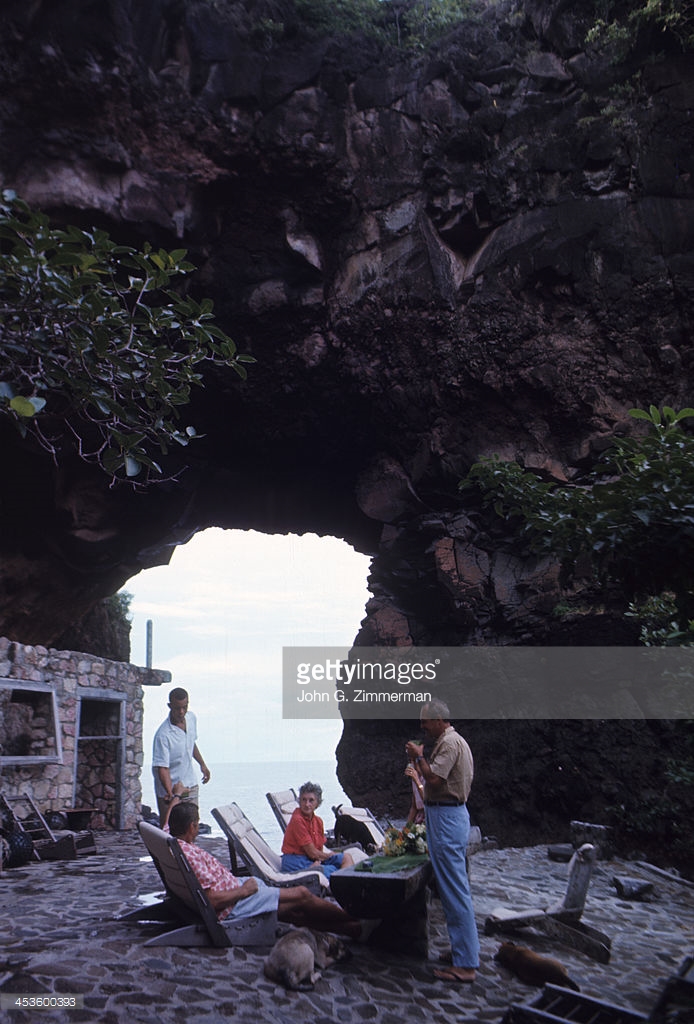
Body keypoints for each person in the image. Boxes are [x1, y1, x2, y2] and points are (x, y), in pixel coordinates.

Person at [167, 800, 363, 938]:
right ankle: (355, 918)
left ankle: (351, 930)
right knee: (302, 894)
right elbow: (211, 900)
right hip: (235, 903)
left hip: (235, 890)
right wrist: (244, 890)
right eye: (197, 824)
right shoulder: (189, 855)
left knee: (290, 911)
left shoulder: (172, 844)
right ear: (192, 826)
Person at [405, 699, 480, 983]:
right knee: (450, 889)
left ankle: (466, 966)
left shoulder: (450, 744)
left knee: (455, 890)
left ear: (439, 719)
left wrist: (419, 757)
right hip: (446, 817)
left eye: (425, 721)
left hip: (447, 819)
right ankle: (464, 951)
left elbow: (434, 779)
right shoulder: (453, 742)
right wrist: (419, 759)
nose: (422, 726)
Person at [152, 687, 211, 826]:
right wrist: (170, 793)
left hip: (190, 784)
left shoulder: (191, 718)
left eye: (185, 707)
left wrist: (203, 765)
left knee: (192, 826)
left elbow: (190, 743)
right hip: (171, 788)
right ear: (169, 706)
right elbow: (162, 768)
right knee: (171, 830)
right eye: (178, 708)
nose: (181, 712)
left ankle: (190, 848)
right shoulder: (163, 735)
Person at [281, 781, 355, 878]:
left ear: (318, 803)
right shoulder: (297, 820)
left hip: (311, 858)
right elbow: (312, 853)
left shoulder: (318, 821)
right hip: (295, 861)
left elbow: (318, 848)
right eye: (303, 800)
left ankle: (343, 884)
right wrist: (328, 856)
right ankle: (342, 887)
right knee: (333, 869)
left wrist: (319, 860)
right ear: (299, 801)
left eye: (311, 800)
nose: (307, 804)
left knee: (346, 857)